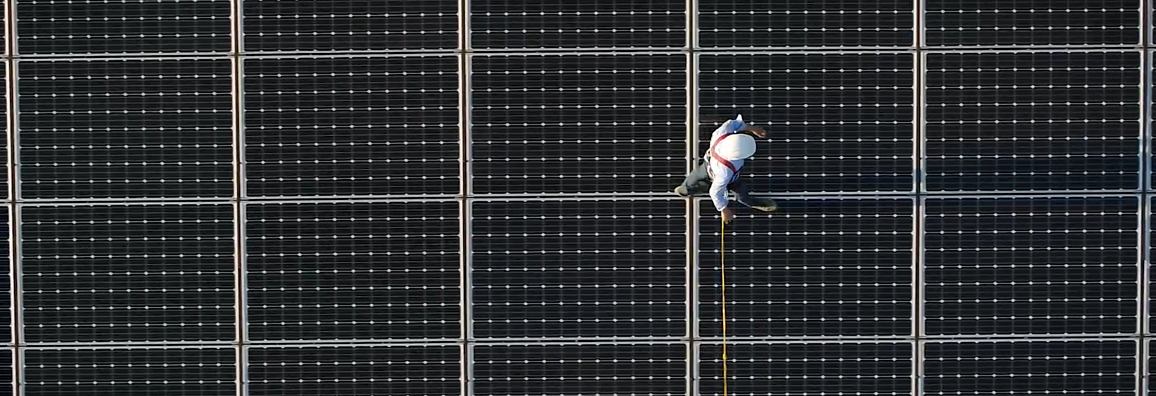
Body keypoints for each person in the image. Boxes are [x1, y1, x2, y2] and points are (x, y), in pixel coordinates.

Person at [674, 114, 778, 223]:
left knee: (695, 175)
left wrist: (753, 129)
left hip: (708, 165)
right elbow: (715, 193)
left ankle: (688, 188)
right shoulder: (725, 173)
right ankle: (752, 202)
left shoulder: (721, 134)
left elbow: (733, 124)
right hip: (727, 178)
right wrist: (724, 210)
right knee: (741, 196)